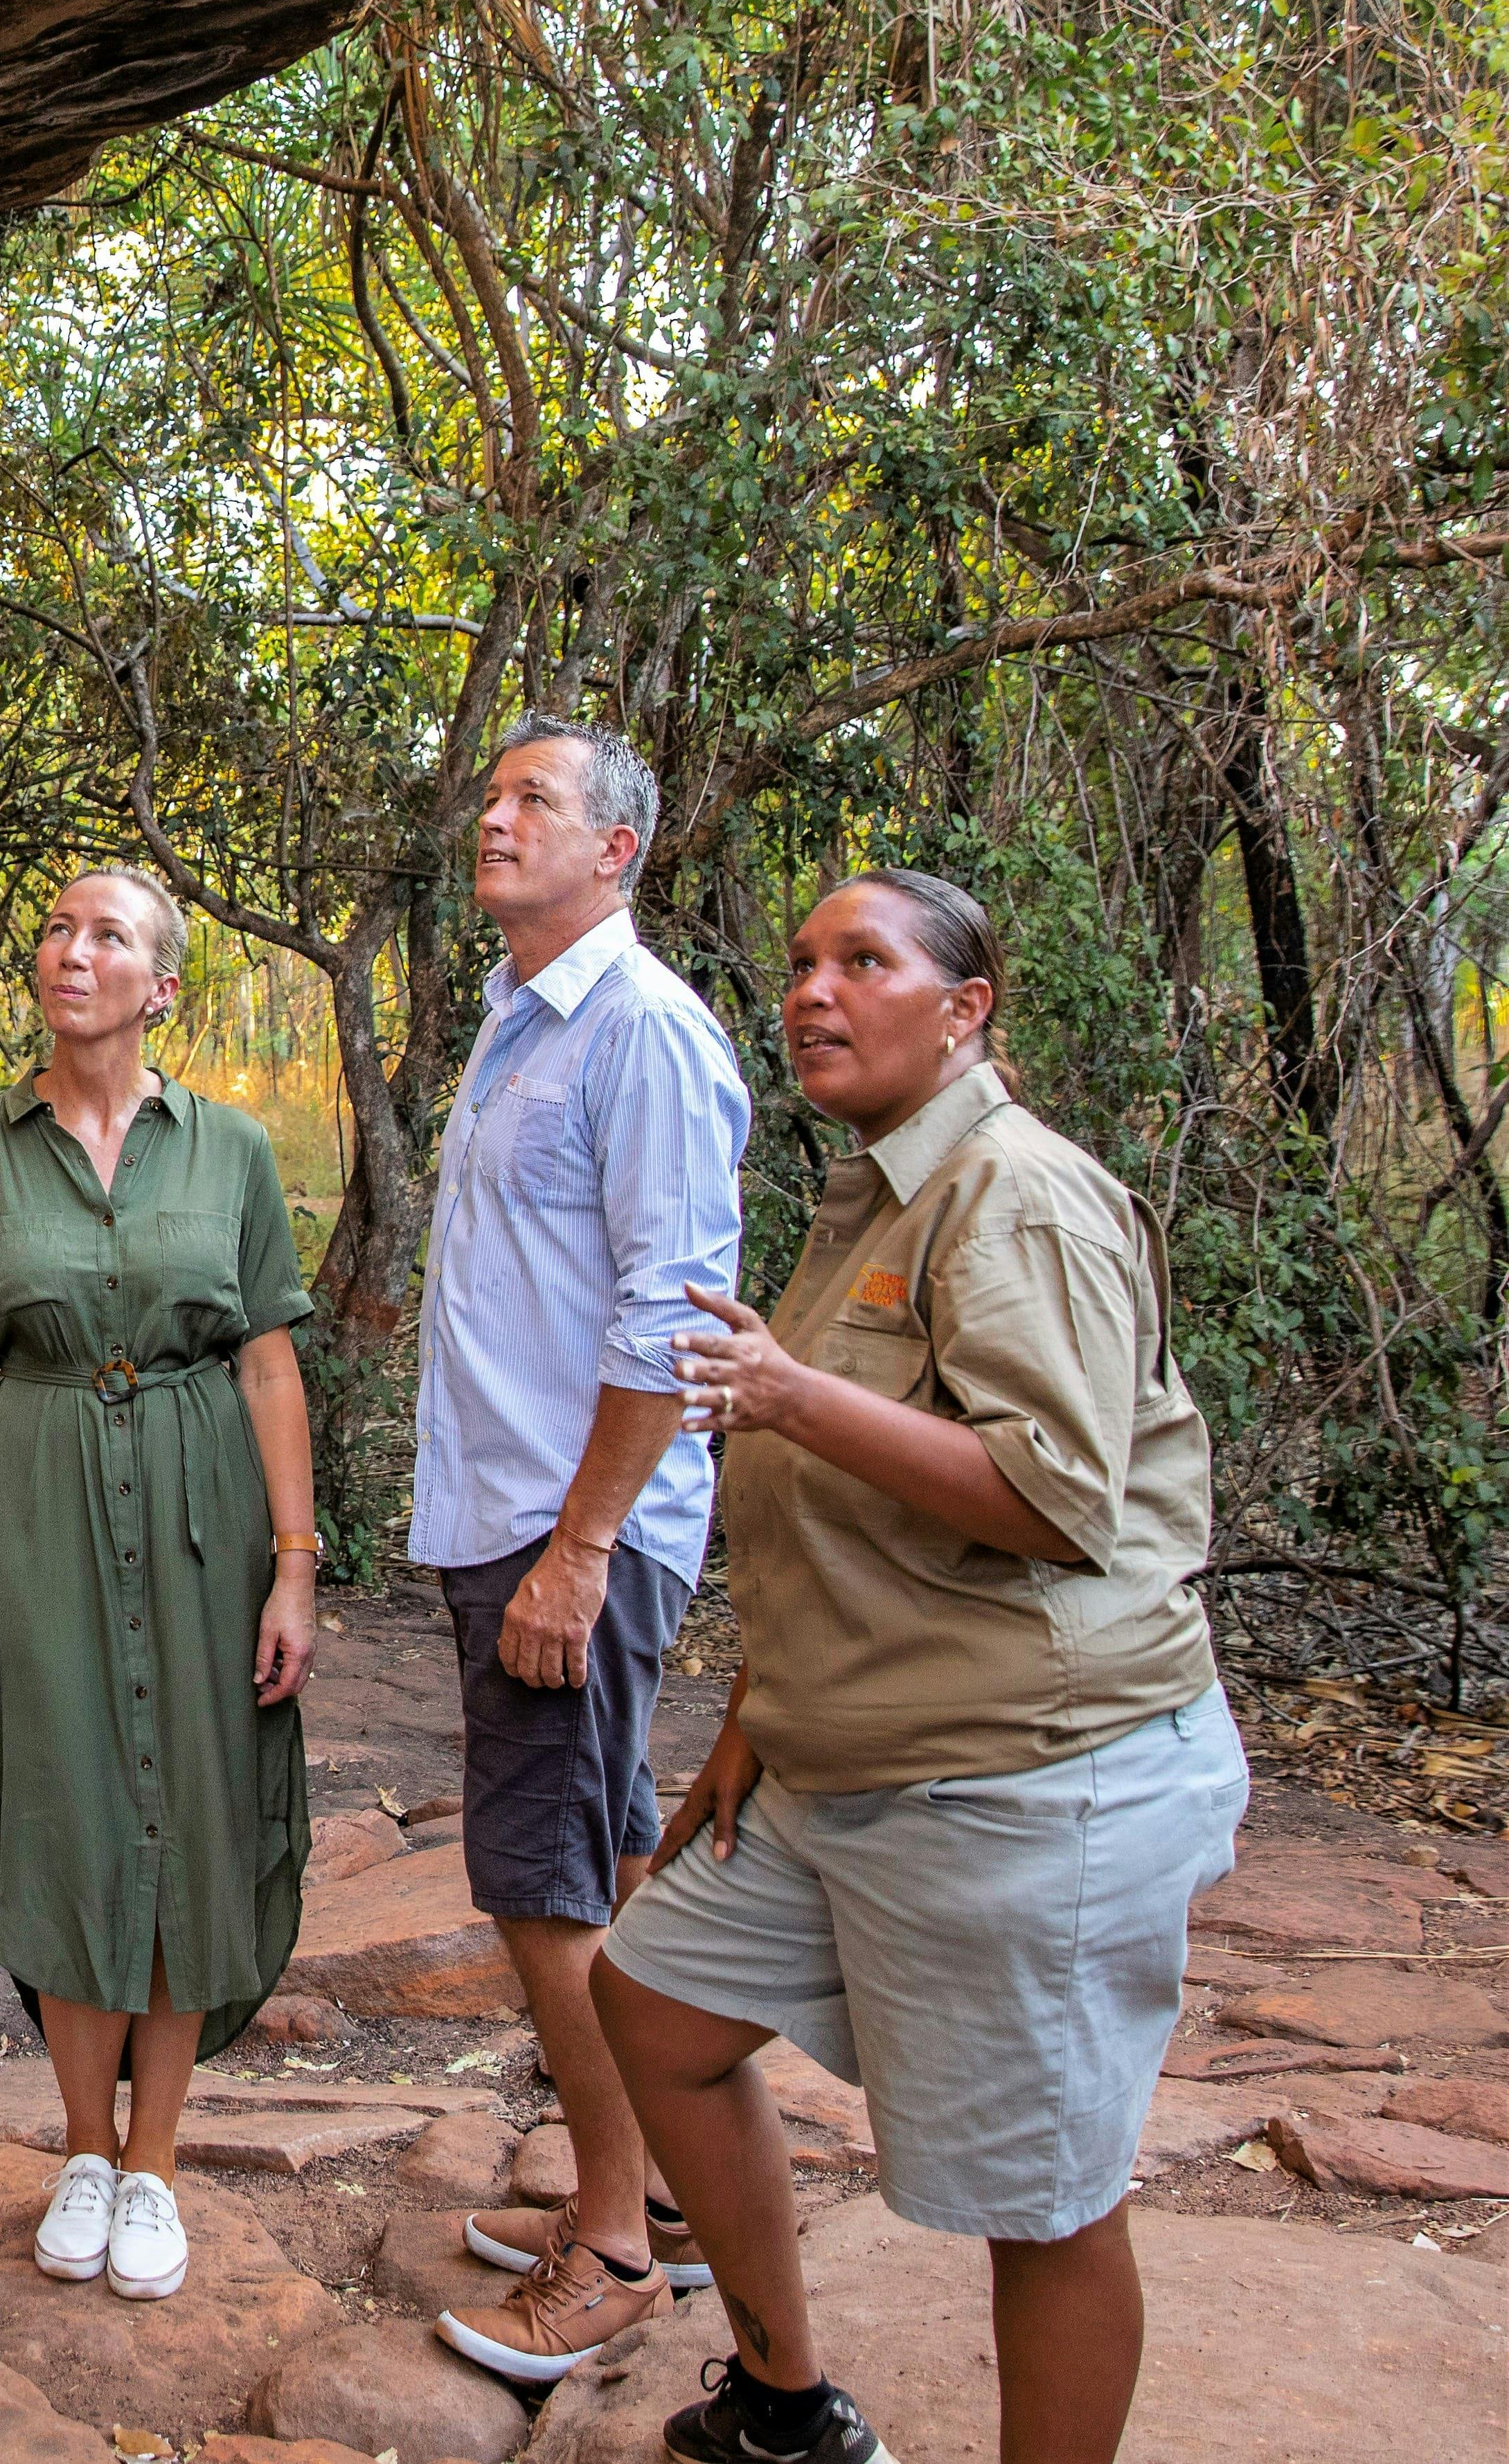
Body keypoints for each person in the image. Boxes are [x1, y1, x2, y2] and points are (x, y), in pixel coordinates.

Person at [596, 870, 1245, 2464]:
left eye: (861, 962)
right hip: (840, 1754)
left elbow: (1052, 1495)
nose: (812, 989)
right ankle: (784, 2405)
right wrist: (754, 1715)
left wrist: (789, 1394)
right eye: (801, 959)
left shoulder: (1011, 1196)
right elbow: (837, 1518)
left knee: (1041, 2202)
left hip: (1022, 1776)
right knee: (654, 2001)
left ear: (963, 1011)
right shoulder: (875, 1195)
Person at [0, 867, 324, 2306]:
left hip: (207, 1500)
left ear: (160, 988)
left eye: (106, 936)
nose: (66, 950)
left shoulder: (230, 1150)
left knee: (192, 1815)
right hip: (37, 1509)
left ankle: (154, 2161)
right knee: (69, 1807)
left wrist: (293, 1564)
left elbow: (268, 1362)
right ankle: (80, 2147)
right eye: (51, 927)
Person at [414, 717, 753, 2386]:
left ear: (616, 848)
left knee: (537, 1886)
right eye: (490, 795)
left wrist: (579, 1548)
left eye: (529, 800)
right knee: (608, 1858)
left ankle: (611, 2244)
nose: (493, 816)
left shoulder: (643, 1034)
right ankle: (677, 2202)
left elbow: (670, 1322)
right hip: (513, 1511)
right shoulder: (515, 1019)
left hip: (570, 1531)